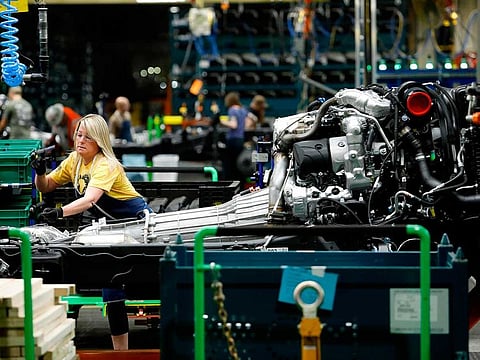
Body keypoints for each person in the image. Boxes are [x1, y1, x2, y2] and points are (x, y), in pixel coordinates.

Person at [31, 113, 153, 351]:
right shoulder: (75, 160)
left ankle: (121, 354)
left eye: (88, 136)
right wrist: (40, 172)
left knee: (114, 282)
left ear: (99, 141)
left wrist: (59, 213)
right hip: (110, 229)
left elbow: (89, 200)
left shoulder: (105, 164)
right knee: (111, 282)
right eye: (78, 134)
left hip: (135, 225)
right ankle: (121, 353)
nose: (81, 140)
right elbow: (46, 186)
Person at [220, 92, 248, 186]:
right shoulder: (243, 110)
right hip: (241, 138)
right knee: (238, 164)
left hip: (233, 139)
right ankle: (240, 184)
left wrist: (221, 121)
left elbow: (233, 124)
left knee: (230, 164)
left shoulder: (232, 110)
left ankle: (229, 184)